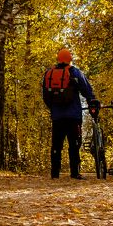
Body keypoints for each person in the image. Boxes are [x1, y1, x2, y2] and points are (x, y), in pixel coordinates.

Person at [42, 47, 99, 179]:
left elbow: (45, 96)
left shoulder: (49, 74)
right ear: (70, 59)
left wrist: (53, 108)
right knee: (74, 144)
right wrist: (92, 101)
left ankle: (55, 173)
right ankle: (74, 173)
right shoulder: (75, 73)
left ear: (58, 59)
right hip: (74, 116)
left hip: (57, 117)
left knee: (56, 145)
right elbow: (87, 90)